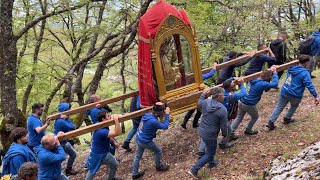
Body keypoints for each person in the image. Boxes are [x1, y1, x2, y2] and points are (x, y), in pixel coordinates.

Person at [267, 55, 320, 130]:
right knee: (294, 106)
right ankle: (287, 118)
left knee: (279, 107)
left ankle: (271, 122)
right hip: (295, 94)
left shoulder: (291, 67)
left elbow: (283, 67)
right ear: (306, 62)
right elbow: (309, 85)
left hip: (284, 90)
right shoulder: (305, 73)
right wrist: (316, 96)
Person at [188, 87, 228, 179]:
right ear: (218, 97)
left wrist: (203, 94)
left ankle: (212, 162)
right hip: (211, 134)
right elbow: (224, 126)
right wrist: (225, 135)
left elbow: (199, 104)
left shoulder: (206, 102)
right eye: (223, 95)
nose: (224, 96)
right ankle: (194, 170)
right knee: (210, 152)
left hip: (202, 130)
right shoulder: (222, 109)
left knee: (209, 147)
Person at [231, 67, 279, 137]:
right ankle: (248, 130)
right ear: (266, 78)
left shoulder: (254, 79)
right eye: (270, 77)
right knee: (255, 117)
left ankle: (230, 132)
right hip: (248, 104)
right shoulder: (262, 84)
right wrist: (275, 73)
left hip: (241, 101)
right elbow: (275, 84)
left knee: (239, 117)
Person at [132, 102, 170, 180]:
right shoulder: (153, 121)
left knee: (137, 157)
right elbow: (165, 126)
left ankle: (134, 174)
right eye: (162, 111)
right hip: (145, 141)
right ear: (159, 113)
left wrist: (158, 105)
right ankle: (158, 166)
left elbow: (155, 110)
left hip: (139, 137)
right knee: (158, 151)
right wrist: (167, 114)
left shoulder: (146, 115)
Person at [85, 110, 121, 180]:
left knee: (92, 171)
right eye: (108, 116)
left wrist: (113, 142)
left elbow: (107, 136)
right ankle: (111, 178)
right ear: (103, 119)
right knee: (115, 165)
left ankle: (111, 177)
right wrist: (116, 120)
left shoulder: (100, 124)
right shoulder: (101, 131)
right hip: (101, 154)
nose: (110, 117)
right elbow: (117, 132)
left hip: (96, 152)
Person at [181, 63, 218, 129]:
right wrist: (214, 66)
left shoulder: (190, 78)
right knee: (199, 110)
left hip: (192, 95)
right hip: (198, 95)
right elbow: (210, 74)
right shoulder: (200, 77)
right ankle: (194, 123)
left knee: (191, 109)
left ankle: (184, 123)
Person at [54, 103, 78, 176]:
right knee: (60, 159)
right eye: (68, 109)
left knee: (72, 154)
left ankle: (68, 170)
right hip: (61, 142)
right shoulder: (60, 121)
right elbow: (72, 127)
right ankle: (57, 172)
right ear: (65, 110)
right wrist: (67, 119)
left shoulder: (61, 119)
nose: (70, 111)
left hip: (64, 141)